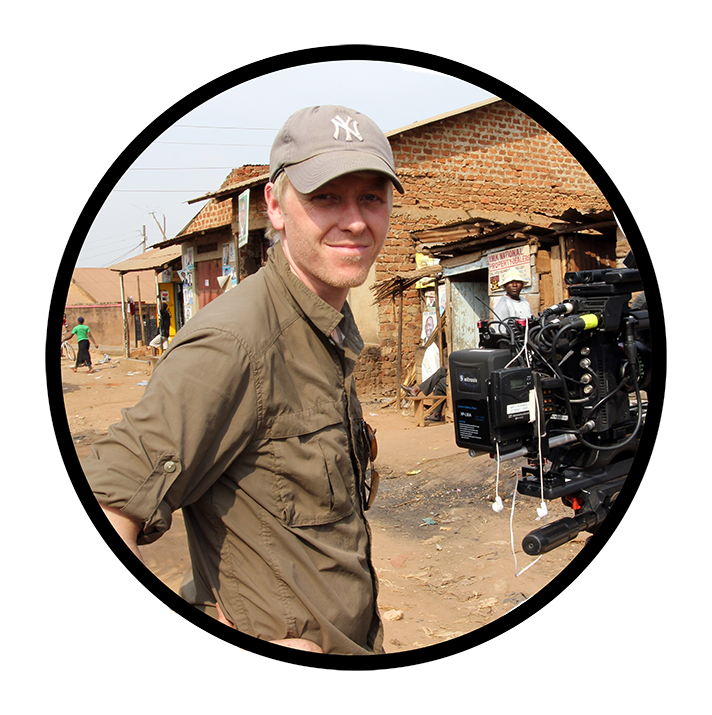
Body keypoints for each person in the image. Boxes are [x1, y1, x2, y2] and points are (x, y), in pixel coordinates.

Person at [81, 105, 404, 655]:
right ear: (274, 206)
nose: (355, 221)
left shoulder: (326, 328)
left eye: (371, 197)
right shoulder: (236, 343)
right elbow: (111, 502)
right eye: (327, 197)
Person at [401, 341, 448, 421]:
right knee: (440, 377)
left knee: (441, 376)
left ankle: (418, 389)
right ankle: (436, 413)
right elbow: (435, 371)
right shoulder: (432, 352)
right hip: (432, 381)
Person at [491, 267, 533, 333]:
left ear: (522, 285)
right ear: (505, 286)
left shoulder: (525, 302)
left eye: (518, 282)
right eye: (511, 282)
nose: (514, 285)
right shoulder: (503, 304)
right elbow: (502, 331)